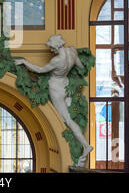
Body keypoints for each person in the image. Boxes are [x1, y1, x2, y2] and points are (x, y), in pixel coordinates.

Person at [14, 34, 93, 167]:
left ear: (56, 46)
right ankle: (84, 145)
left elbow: (39, 70)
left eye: (51, 47)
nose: (51, 50)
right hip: (66, 85)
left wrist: (24, 62)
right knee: (68, 117)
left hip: (55, 88)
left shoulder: (57, 60)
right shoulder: (72, 52)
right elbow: (81, 68)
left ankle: (85, 145)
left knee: (65, 119)